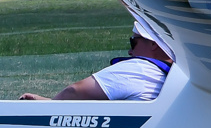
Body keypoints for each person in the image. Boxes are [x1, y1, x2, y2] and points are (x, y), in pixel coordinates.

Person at [20, 20, 174, 102]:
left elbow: (75, 91)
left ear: (154, 43)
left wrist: (47, 106)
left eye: (133, 42)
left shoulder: (141, 69)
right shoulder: (175, 73)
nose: (130, 51)